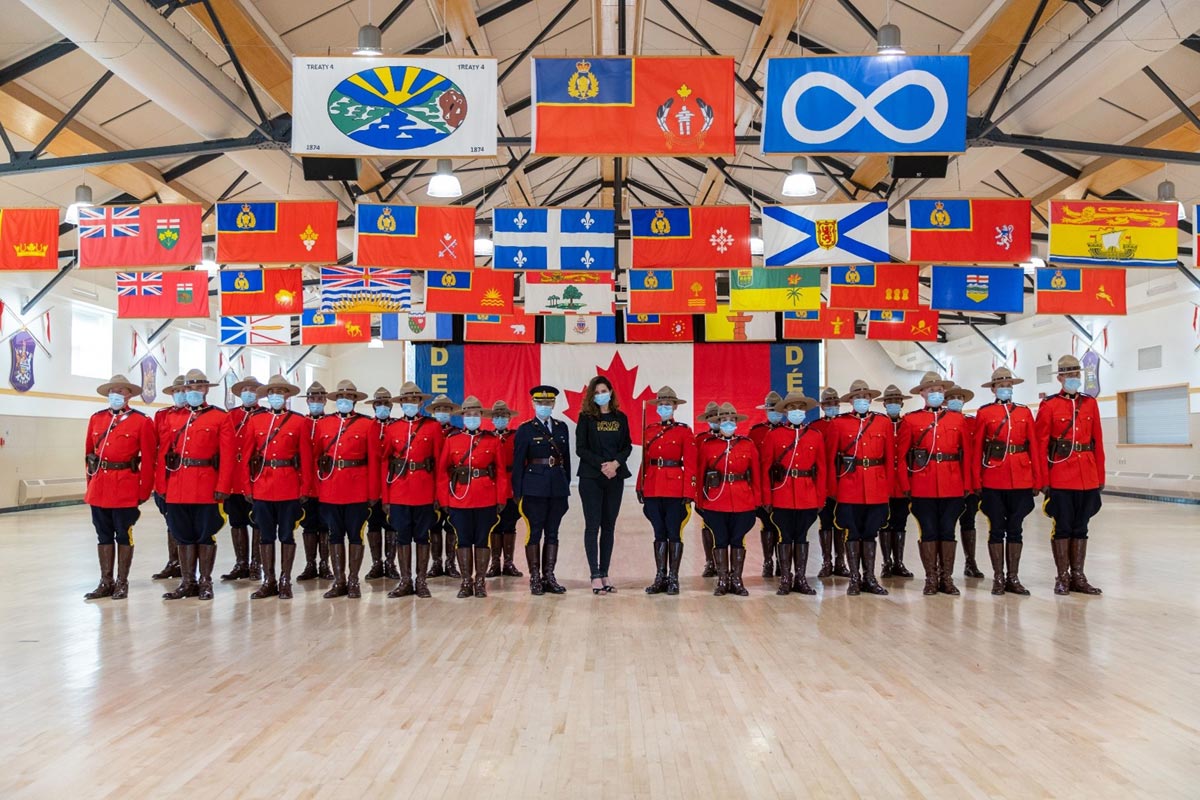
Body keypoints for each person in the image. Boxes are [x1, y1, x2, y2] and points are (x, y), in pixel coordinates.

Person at [158, 369, 236, 601]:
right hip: (177, 485)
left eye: (198, 388)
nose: (193, 392)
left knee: (205, 534)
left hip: (206, 485)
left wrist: (223, 486)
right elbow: (163, 453)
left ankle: (205, 581)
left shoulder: (220, 417)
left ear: (205, 390)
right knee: (182, 534)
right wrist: (161, 485)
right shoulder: (173, 417)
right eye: (189, 388)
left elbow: (228, 456)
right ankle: (187, 581)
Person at [83, 374, 157, 600]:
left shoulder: (142, 421)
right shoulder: (96, 419)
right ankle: (106, 581)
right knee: (103, 535)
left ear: (129, 395)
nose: (116, 395)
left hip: (125, 485)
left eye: (121, 391)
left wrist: (144, 491)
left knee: (123, 535)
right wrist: (90, 484)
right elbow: (89, 455)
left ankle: (122, 582)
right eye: (112, 391)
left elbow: (149, 458)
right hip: (99, 487)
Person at [898, 372, 972, 596]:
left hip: (952, 483)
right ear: (922, 393)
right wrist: (905, 485)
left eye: (940, 390)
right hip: (923, 483)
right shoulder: (911, 420)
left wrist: (967, 484)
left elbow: (966, 454)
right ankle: (931, 578)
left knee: (948, 531)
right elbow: (901, 456)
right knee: (929, 531)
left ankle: (946, 578)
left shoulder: (957, 419)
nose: (936, 394)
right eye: (931, 390)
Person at [1036, 355, 1104, 596]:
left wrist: (1100, 477)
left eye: (1077, 375)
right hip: (1061, 475)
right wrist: (1043, 481)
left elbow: (1097, 442)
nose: (1074, 379)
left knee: (1081, 527)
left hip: (1087, 474)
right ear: (1060, 378)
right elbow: (1041, 444)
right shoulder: (1049, 405)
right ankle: (1062, 576)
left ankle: (1078, 575)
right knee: (1062, 526)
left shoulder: (1090, 404)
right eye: (1069, 375)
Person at [242, 375, 314, 600]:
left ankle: (285, 579)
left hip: (288, 485)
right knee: (265, 535)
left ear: (287, 395)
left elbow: (306, 458)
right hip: (262, 485)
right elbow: (246, 456)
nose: (276, 396)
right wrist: (247, 486)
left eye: (280, 392)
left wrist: (305, 488)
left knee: (286, 535)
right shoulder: (256, 421)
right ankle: (268, 580)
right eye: (272, 392)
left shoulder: (299, 422)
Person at [973, 367, 1042, 595]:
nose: (1005, 389)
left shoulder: (1024, 412)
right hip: (993, 476)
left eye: (1009, 385)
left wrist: (1037, 479)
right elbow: (977, 450)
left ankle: (1013, 577)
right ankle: (998, 577)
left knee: (1016, 529)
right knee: (996, 529)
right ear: (993, 388)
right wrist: (977, 480)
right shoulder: (985, 413)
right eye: (1001, 385)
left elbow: (1034, 446)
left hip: (1021, 477)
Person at [312, 380, 380, 599]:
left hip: (356, 488)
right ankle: (339, 580)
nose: (344, 401)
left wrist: (372, 493)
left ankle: (353, 581)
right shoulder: (324, 424)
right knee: (334, 535)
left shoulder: (368, 424)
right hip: (331, 487)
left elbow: (374, 461)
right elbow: (316, 457)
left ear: (354, 401)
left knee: (355, 535)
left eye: (348, 397)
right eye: (341, 397)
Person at [437, 396, 509, 598]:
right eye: (468, 415)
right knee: (463, 540)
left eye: (475, 414)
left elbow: (501, 472)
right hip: (460, 498)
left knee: (482, 540)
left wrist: (501, 498)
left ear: (481, 416)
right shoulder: (453, 441)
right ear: (463, 417)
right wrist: (445, 500)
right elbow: (443, 472)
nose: (472, 418)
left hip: (486, 498)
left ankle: (480, 582)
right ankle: (466, 581)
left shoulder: (492, 440)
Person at [827, 380, 894, 596]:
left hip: (876, 486)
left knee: (871, 532)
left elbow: (889, 457)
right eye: (858, 397)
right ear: (851, 401)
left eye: (866, 397)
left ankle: (870, 578)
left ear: (871, 399)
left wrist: (888, 489)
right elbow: (830, 459)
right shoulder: (839, 423)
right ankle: (854, 578)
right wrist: (833, 489)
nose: (862, 400)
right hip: (850, 485)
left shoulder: (882, 422)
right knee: (852, 532)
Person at [381, 382, 444, 599]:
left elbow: (440, 463)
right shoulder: (393, 428)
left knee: (422, 537)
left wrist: (438, 495)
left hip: (424, 490)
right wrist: (386, 496)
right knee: (402, 537)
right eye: (406, 400)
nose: (410, 403)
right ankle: (405, 580)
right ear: (401, 403)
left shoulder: (433, 427)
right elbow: (385, 463)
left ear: (420, 402)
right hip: (399, 490)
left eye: (414, 400)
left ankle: (421, 581)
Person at [759, 392, 824, 596]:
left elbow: (821, 469)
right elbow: (765, 468)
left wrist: (820, 497)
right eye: (792, 408)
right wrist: (767, 497)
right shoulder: (774, 435)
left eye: (800, 407)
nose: (797, 411)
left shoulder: (815, 435)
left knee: (802, 536)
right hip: (782, 493)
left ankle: (801, 579)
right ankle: (786, 578)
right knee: (785, 535)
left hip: (807, 494)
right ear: (785, 411)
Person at [637, 386, 697, 596]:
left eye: (668, 405)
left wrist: (690, 490)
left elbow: (690, 463)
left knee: (674, 533)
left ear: (674, 408)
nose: (664, 408)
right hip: (653, 486)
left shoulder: (683, 431)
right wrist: (639, 485)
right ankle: (660, 576)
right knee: (658, 532)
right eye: (661, 404)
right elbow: (645, 461)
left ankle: (674, 577)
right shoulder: (650, 430)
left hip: (675, 488)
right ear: (656, 407)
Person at [574, 376, 632, 594]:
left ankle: (605, 573)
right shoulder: (586, 418)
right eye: (596, 392)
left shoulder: (621, 418)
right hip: (591, 478)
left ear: (611, 392)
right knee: (592, 526)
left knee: (609, 527)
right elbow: (581, 449)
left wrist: (615, 464)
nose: (600, 395)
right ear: (592, 395)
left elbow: (627, 446)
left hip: (614, 478)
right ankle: (594, 574)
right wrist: (602, 465)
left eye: (603, 391)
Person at [514, 385, 572, 596]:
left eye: (548, 403)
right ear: (533, 404)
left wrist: (566, 484)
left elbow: (565, 459)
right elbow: (519, 462)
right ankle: (535, 577)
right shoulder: (525, 429)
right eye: (540, 403)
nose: (544, 406)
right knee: (534, 532)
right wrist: (517, 492)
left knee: (553, 532)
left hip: (557, 487)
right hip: (533, 487)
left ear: (554, 404)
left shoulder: (561, 427)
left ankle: (550, 576)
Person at [697, 403, 760, 597]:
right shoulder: (708, 446)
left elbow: (755, 474)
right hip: (717, 500)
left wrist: (757, 500)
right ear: (718, 423)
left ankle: (737, 580)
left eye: (731, 421)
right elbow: (701, 475)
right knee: (721, 539)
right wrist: (700, 501)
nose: (728, 424)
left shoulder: (747, 444)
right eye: (724, 421)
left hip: (742, 499)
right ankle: (723, 580)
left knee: (738, 539)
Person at [221, 376, 264, 582]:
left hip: (255, 475)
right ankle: (241, 563)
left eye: (253, 389)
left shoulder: (265, 416)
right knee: (236, 521)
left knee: (257, 521)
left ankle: (257, 564)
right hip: (234, 477)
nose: (249, 392)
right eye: (246, 389)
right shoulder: (230, 416)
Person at [809, 387, 849, 578]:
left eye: (835, 403)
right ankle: (827, 562)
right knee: (826, 522)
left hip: (846, 480)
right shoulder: (815, 427)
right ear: (823, 406)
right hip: (824, 481)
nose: (832, 406)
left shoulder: (846, 424)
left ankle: (840, 562)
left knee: (842, 522)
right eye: (828, 404)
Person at [296, 382, 334, 582]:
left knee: (325, 525)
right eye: (313, 399)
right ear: (307, 401)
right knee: (308, 525)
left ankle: (324, 564)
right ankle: (310, 563)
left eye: (320, 399)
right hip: (305, 484)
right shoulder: (301, 423)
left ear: (325, 400)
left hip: (325, 482)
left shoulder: (331, 423)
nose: (316, 402)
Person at [150, 375, 186, 581]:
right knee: (170, 522)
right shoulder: (162, 415)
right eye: (177, 391)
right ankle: (174, 562)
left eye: (183, 390)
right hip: (165, 477)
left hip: (186, 477)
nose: (181, 394)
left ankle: (187, 564)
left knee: (185, 523)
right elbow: (155, 447)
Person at [947, 384, 985, 580]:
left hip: (969, 481)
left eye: (960, 397)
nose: (957, 400)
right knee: (946, 525)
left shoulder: (972, 422)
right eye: (953, 397)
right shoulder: (941, 422)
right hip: (949, 480)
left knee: (969, 522)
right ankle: (944, 568)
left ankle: (971, 562)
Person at [876, 384, 913, 579]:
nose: (893, 404)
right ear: (884, 404)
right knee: (884, 522)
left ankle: (898, 562)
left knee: (900, 521)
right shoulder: (879, 424)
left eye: (896, 401)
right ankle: (886, 562)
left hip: (903, 483)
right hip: (883, 480)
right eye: (889, 401)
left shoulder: (907, 424)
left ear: (901, 403)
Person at [364, 387, 399, 581]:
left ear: (391, 405)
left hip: (393, 482)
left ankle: (390, 563)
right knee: (373, 524)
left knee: (392, 524)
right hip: (372, 484)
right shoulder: (367, 427)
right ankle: (376, 563)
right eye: (379, 403)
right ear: (374, 406)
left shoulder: (397, 426)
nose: (382, 407)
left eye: (386, 403)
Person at [485, 400, 523, 578]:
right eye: (497, 416)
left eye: (503, 415)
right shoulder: (486, 438)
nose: (500, 418)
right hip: (492, 487)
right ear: (492, 419)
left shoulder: (517, 437)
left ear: (509, 418)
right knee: (493, 525)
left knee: (510, 524)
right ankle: (494, 563)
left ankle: (508, 562)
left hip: (511, 486)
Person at [749, 390, 785, 578]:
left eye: (777, 410)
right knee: (767, 524)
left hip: (784, 485)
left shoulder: (791, 431)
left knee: (783, 525)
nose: (774, 413)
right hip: (764, 485)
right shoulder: (756, 432)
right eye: (771, 410)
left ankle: (782, 562)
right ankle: (768, 561)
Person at [426, 394, 461, 579]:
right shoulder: (427, 431)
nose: (442, 413)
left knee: (451, 526)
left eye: (445, 409)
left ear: (451, 412)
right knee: (433, 525)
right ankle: (436, 563)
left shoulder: (457, 433)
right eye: (438, 410)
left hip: (451, 484)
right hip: (429, 484)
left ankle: (451, 563)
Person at [693, 402, 720, 578]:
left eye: (716, 417)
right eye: (710, 417)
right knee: (707, 526)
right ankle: (710, 561)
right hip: (707, 490)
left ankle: (723, 562)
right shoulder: (700, 439)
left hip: (727, 488)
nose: (714, 421)